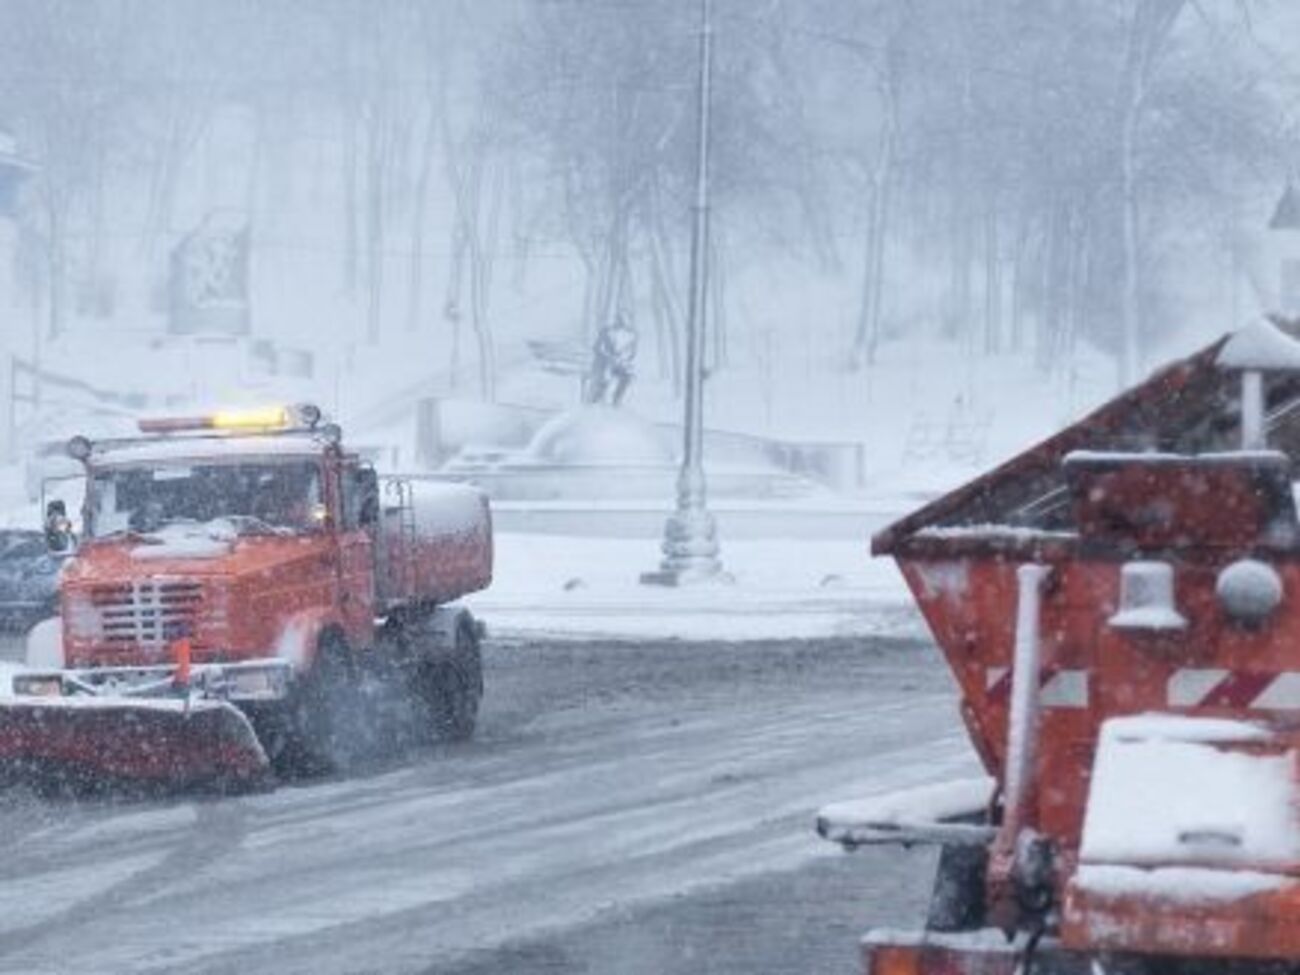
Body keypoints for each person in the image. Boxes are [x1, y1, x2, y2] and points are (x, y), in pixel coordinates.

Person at [586, 316, 638, 406]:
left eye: (623, 320)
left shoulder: (629, 335)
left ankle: (616, 400)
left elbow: (632, 354)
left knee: (626, 377)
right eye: (619, 320)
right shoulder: (605, 332)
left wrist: (622, 358)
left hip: (617, 364)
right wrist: (607, 356)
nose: (621, 322)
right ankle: (596, 399)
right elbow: (597, 348)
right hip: (603, 364)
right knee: (605, 375)